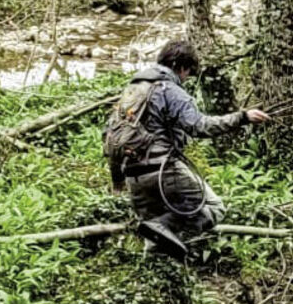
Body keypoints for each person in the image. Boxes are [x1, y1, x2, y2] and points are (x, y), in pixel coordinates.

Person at [105, 40, 270, 259]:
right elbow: (200, 126)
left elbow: (112, 138)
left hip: (133, 177)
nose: (186, 79)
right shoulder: (169, 89)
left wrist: (117, 181)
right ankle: (160, 226)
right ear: (181, 67)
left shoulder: (130, 93)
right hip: (164, 172)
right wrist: (242, 117)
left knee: (156, 244)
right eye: (188, 73)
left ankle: (160, 285)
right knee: (213, 207)